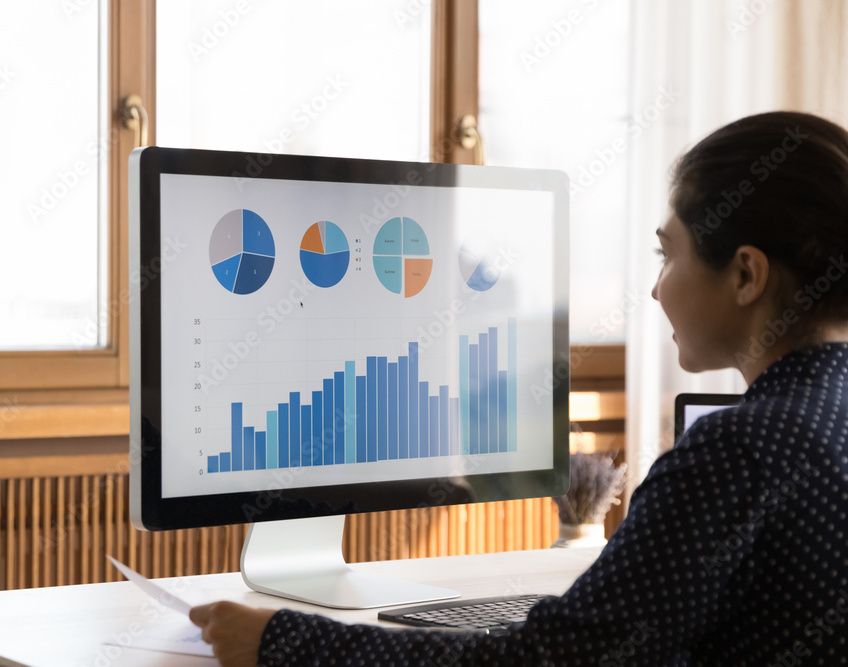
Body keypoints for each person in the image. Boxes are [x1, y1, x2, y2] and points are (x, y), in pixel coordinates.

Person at [191, 111, 848, 666]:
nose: (656, 288)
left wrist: (282, 640)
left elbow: (547, 662)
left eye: (666, 254)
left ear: (745, 274)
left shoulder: (737, 449)